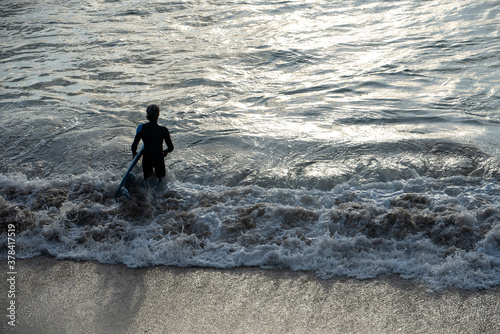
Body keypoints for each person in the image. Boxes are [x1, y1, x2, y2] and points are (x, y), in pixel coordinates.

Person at [131, 104, 174, 181]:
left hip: (147, 158)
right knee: (161, 182)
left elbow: (134, 145)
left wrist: (134, 153)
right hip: (158, 159)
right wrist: (166, 151)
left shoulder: (141, 128)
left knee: (147, 183)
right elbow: (171, 147)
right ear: (158, 115)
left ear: (147, 115)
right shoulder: (163, 130)